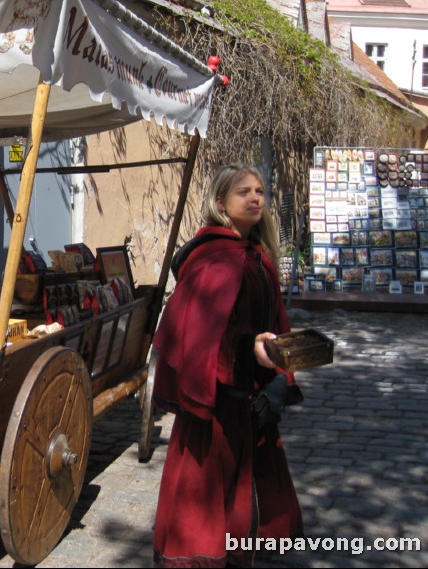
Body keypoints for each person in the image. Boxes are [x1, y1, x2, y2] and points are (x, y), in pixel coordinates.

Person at [151, 164, 303, 568]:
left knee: (242, 511)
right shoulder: (210, 258)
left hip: (252, 404)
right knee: (204, 512)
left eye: (259, 191)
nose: (256, 198)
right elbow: (197, 338)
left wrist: (279, 379)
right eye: (244, 193)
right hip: (214, 411)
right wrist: (246, 349)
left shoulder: (259, 258)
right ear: (221, 203)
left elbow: (275, 326)